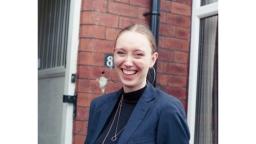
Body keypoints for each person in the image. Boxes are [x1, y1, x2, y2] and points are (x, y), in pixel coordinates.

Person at [85, 24, 190, 144]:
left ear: (153, 59)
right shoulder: (99, 106)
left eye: (138, 54)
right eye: (121, 53)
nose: (128, 62)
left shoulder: (168, 109)